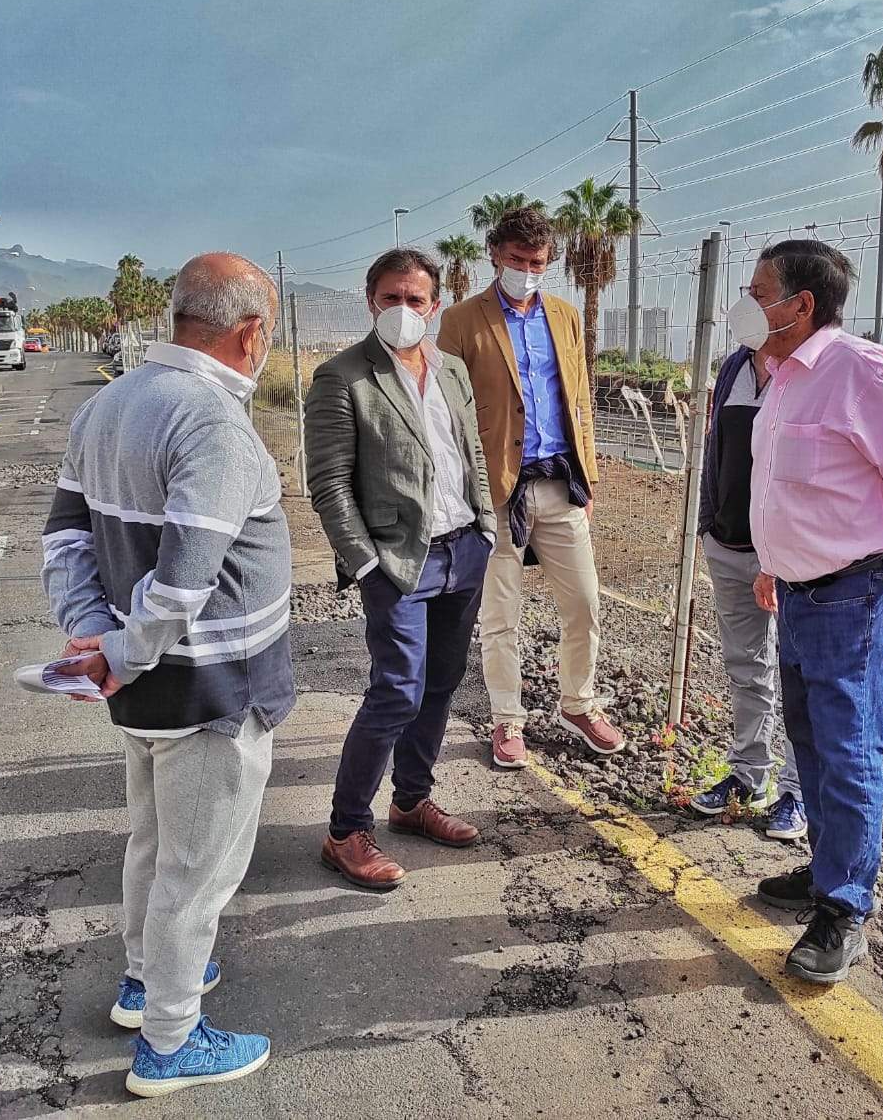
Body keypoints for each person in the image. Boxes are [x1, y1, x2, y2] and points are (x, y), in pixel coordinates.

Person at [41, 252, 293, 1097]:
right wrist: (115, 653)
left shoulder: (109, 404)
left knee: (153, 844)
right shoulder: (212, 424)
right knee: (200, 869)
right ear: (251, 331)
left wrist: (90, 635)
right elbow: (185, 581)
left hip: (145, 691)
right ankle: (171, 1042)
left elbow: (65, 538)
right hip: (213, 690)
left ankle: (146, 983)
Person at [739, 239, 883, 985]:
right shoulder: (784, 379)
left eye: (759, 291)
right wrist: (775, 561)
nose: (748, 305)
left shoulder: (859, 370)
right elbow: (792, 485)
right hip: (803, 596)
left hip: (856, 594)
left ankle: (845, 911)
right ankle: (826, 869)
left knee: (849, 751)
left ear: (800, 304)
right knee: (810, 741)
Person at [305, 249, 496, 889]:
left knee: (442, 682)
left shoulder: (451, 370)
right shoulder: (342, 377)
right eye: (391, 298)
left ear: (434, 306)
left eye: (416, 300)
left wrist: (488, 528)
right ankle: (345, 830)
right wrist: (365, 564)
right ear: (371, 302)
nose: (404, 310)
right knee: (397, 688)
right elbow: (330, 485)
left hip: (462, 550)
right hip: (398, 561)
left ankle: (412, 800)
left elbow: (472, 453)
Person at [437, 205, 623, 769]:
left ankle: (579, 702)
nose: (526, 270)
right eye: (517, 260)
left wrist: (588, 479)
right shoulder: (461, 321)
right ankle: (506, 719)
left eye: (537, 262)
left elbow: (580, 398)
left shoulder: (565, 316)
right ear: (495, 255)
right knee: (500, 614)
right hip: (496, 491)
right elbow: (447, 410)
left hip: (562, 483)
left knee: (585, 604)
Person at [692, 335, 807, 841]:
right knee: (746, 665)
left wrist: (784, 555)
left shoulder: (810, 371)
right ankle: (749, 774)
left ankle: (798, 792)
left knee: (800, 675)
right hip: (728, 543)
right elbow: (718, 448)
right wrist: (708, 522)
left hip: (788, 558)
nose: (750, 303)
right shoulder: (736, 365)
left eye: (761, 293)